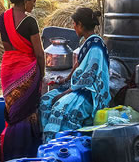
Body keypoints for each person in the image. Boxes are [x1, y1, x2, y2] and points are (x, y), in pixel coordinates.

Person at [40, 7, 110, 139]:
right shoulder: (87, 42)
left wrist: (65, 93)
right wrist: (65, 79)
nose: (73, 27)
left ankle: (63, 146)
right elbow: (79, 64)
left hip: (90, 93)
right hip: (77, 88)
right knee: (45, 101)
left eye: (74, 24)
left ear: (80, 24)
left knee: (61, 110)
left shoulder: (96, 46)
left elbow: (89, 77)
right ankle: (47, 144)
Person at [0, 0, 45, 160]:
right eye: (33, 2)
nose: (33, 6)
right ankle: (27, 153)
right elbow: (39, 53)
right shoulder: (30, 21)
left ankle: (11, 154)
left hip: (9, 70)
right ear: (25, 1)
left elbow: (7, 47)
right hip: (28, 70)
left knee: (13, 112)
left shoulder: (2, 18)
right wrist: (42, 74)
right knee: (27, 111)